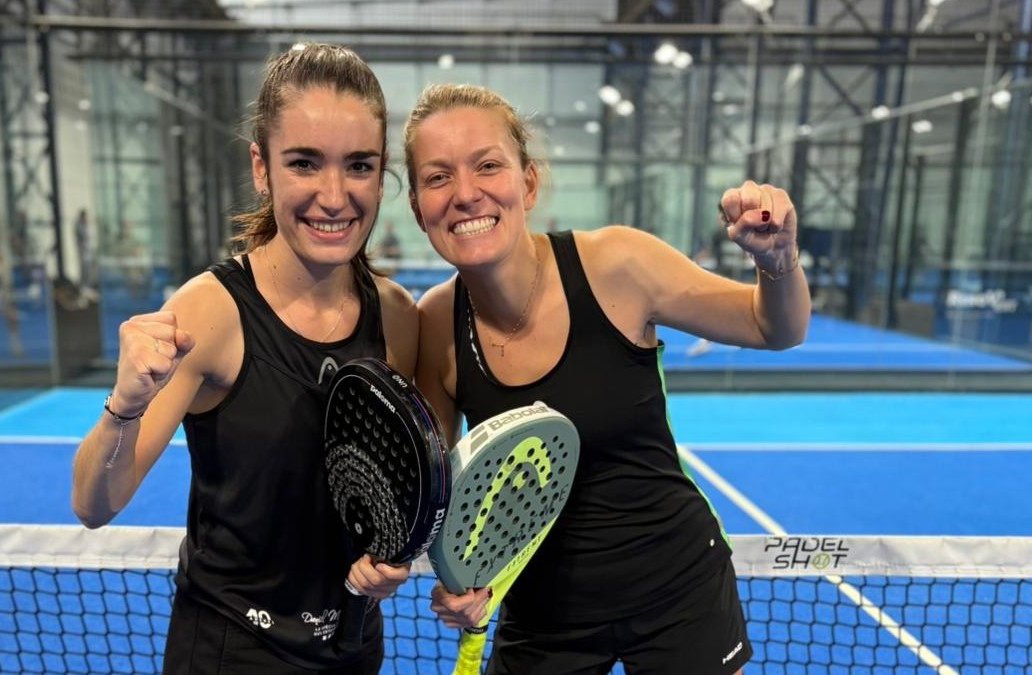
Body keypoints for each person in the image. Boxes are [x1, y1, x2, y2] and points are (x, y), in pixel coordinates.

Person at [403, 84, 810, 675]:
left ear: (529, 183)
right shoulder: (435, 325)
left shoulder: (618, 264)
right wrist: (461, 582)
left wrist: (779, 262)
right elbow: (444, 492)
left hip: (679, 592)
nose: (466, 194)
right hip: (542, 614)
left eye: (488, 165)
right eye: (437, 178)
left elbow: (774, 327)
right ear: (417, 208)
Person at [70, 43, 418, 674]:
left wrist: (391, 557)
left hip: (354, 646)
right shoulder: (210, 313)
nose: (334, 196)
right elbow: (94, 505)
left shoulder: (395, 315)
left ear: (381, 170)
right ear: (262, 167)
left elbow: (405, 489)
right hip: (233, 651)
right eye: (304, 163)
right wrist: (124, 406)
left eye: (359, 166)